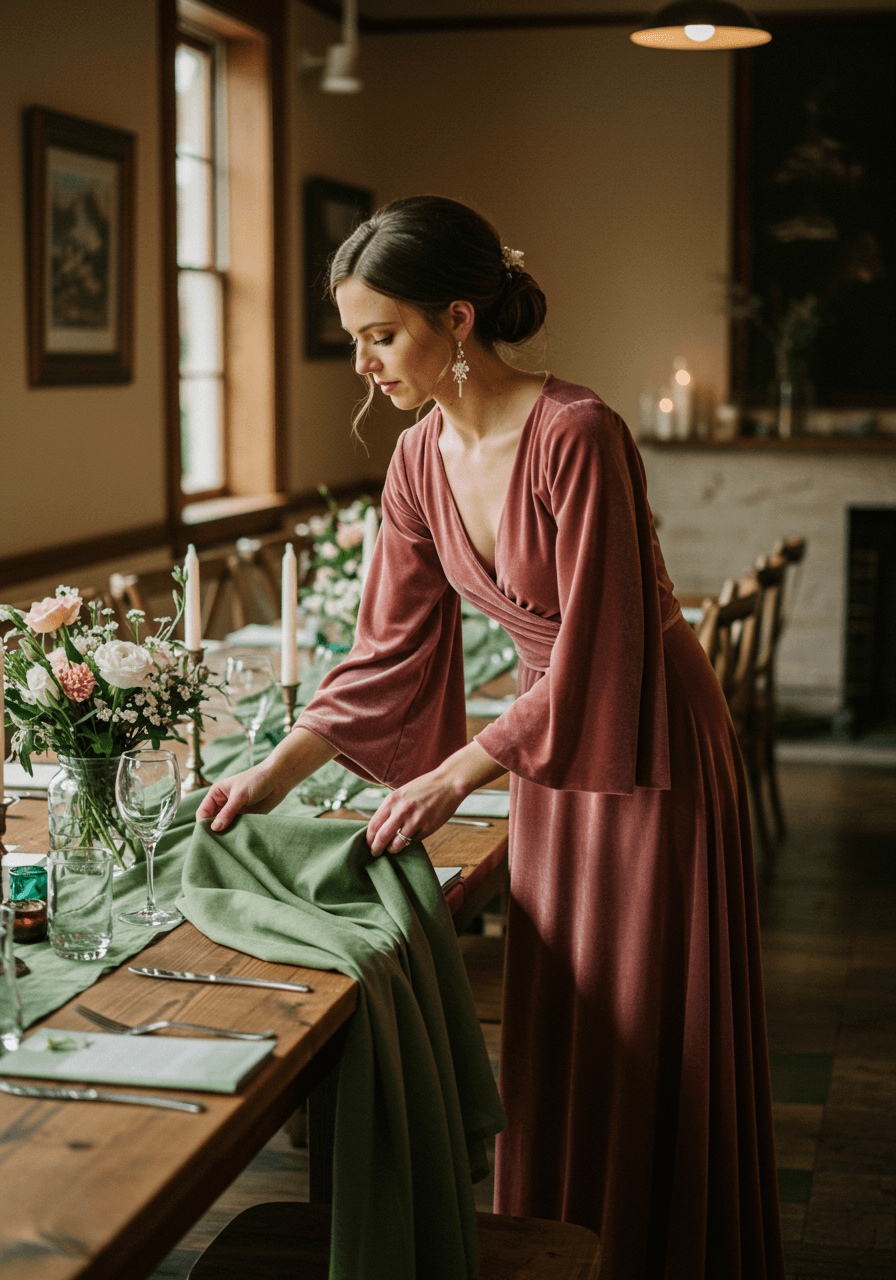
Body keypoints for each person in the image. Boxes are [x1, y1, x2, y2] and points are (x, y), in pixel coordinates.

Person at [197, 195, 785, 1279]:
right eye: (354, 340)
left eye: (381, 335)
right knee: (572, 1017)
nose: (365, 364)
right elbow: (384, 653)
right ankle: (572, 1243)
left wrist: (454, 772)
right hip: (549, 753)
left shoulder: (578, 433)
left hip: (646, 736)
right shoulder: (415, 462)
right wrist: (270, 772)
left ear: (456, 319)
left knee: (654, 1017)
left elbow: (606, 647)